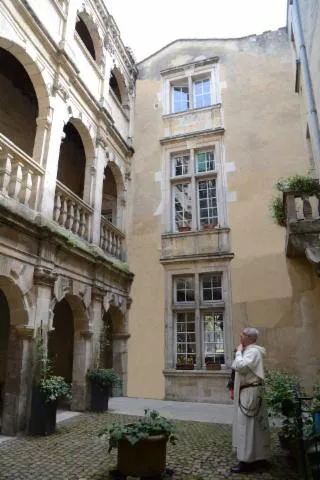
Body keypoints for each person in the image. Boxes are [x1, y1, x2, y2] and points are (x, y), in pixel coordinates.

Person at [231, 327, 270, 474]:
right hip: (249, 392)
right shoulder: (251, 351)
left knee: (246, 426)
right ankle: (260, 458)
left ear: (248, 337)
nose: (240, 336)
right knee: (256, 427)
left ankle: (246, 462)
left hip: (250, 393)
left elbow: (239, 366)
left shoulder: (252, 351)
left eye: (242, 334)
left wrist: (239, 352)